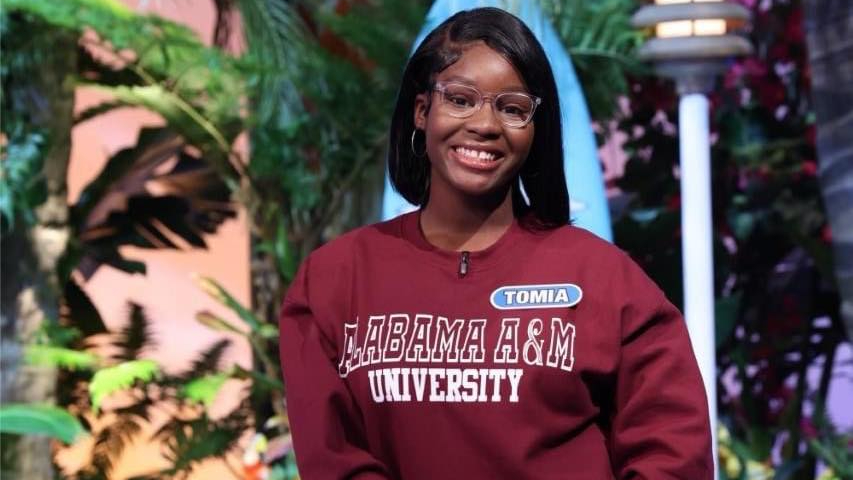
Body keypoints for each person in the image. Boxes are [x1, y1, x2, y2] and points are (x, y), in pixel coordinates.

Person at [278, 7, 712, 480]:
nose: (485, 124)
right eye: (461, 100)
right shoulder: (334, 282)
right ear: (422, 111)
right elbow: (333, 459)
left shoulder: (605, 281)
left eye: (512, 108)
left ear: (535, 128)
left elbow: (673, 452)